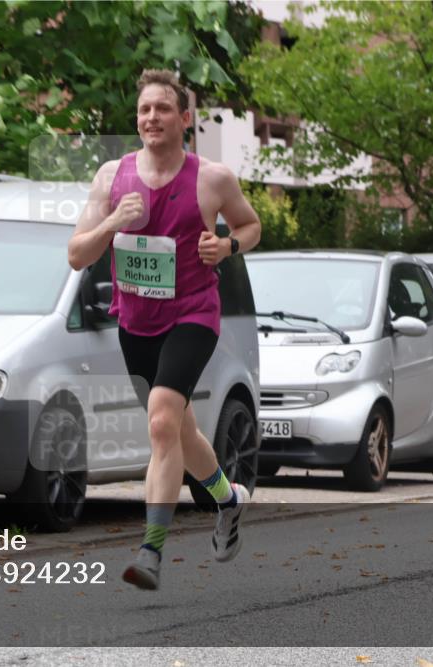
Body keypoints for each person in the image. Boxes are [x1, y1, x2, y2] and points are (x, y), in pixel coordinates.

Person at [67, 69, 262, 590]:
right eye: (144, 110)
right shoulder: (111, 177)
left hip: (193, 316)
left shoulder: (212, 178)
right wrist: (111, 223)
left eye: (162, 109)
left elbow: (250, 224)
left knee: (160, 423)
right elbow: (76, 254)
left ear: (185, 118)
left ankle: (151, 553)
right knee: (180, 430)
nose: (151, 117)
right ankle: (227, 499)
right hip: (136, 323)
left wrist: (226, 247)